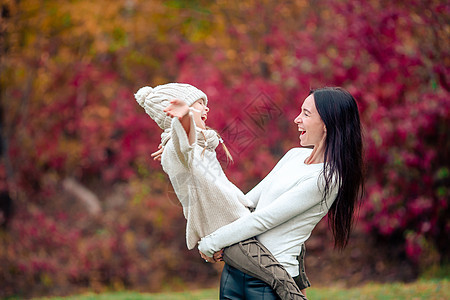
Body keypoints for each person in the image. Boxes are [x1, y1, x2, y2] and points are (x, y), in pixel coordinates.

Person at [135, 83, 307, 299]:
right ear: (177, 115)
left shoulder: (200, 145)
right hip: (227, 232)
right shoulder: (176, 149)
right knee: (278, 278)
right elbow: (184, 145)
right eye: (199, 105)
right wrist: (185, 118)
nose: (207, 109)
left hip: (237, 223)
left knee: (290, 254)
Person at [198, 87, 365, 299]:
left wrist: (212, 243)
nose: (297, 119)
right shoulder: (293, 155)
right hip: (235, 270)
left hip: (268, 281)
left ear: (327, 122)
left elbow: (264, 219)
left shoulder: (327, 178)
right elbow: (246, 202)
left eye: (306, 113)